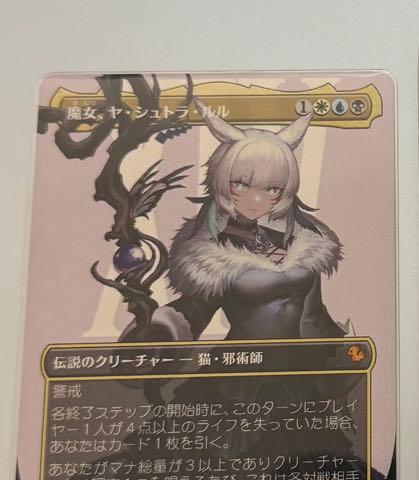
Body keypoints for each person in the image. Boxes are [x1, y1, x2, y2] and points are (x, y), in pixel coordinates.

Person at [149, 100, 348, 342]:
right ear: (222, 179)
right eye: (242, 184)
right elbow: (195, 309)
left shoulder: (300, 241)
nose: (256, 200)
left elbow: (313, 317)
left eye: (272, 189)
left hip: (303, 360)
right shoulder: (213, 251)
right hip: (246, 360)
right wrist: (164, 327)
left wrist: (340, 350)